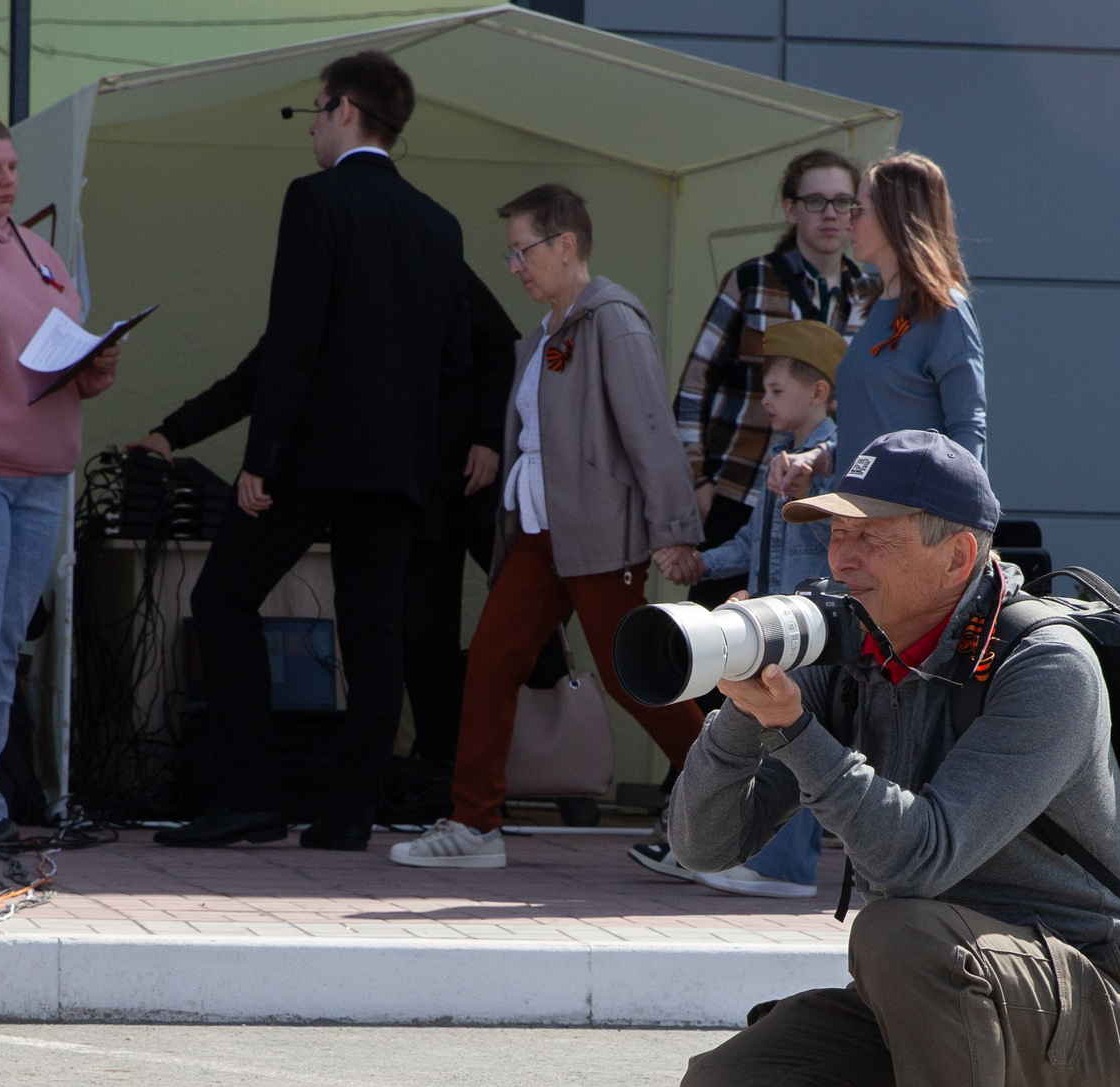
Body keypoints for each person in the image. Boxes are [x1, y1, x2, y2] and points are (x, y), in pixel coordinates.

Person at [669, 430, 1120, 1087]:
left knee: (896, 927)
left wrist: (797, 732)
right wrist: (745, 709)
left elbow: (918, 859)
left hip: (1091, 1011)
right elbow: (703, 843)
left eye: (873, 536)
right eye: (833, 535)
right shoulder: (849, 653)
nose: (842, 558)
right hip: (942, 997)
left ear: (959, 553)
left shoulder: (1045, 666)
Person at [156, 52, 468, 853]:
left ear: (344, 110)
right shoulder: (438, 224)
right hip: (396, 468)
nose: (313, 128)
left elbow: (293, 344)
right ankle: (348, 815)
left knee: (223, 600)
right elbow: (447, 360)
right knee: (375, 639)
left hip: (316, 457)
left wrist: (262, 457)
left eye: (315, 112)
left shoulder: (317, 201)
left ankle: (251, 798)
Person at [389, 185, 704, 870]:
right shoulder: (545, 335)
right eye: (509, 254)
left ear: (566, 245)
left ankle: (742, 806)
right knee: (493, 662)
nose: (514, 266)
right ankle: (474, 825)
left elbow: (650, 428)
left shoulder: (611, 320)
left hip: (596, 532)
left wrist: (673, 527)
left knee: (632, 676)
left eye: (522, 250)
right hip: (542, 535)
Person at [131, 266, 515, 775]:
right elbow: (260, 374)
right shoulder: (333, 284)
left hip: (434, 486)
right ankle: (409, 784)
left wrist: (488, 434)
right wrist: (171, 433)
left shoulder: (425, 261)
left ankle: (437, 779)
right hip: (399, 489)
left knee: (423, 640)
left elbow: (499, 345)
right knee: (398, 637)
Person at [0, 110, 119, 847]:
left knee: (6, 639)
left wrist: (96, 366)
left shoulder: (42, 252)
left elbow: (61, 355)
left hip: (43, 470)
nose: (10, 179)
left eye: (15, 165)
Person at [633, 320, 846, 898]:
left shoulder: (841, 459)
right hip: (769, 625)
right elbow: (755, 543)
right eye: (765, 390)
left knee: (798, 736)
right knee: (761, 734)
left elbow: (844, 545)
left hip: (810, 628)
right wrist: (701, 565)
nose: (765, 401)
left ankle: (787, 868)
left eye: (777, 390)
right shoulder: (778, 454)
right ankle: (743, 852)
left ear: (819, 392)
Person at [674, 149, 874, 604]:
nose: (831, 215)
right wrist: (699, 483)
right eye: (816, 201)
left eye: (844, 202)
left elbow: (868, 399)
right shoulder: (751, 279)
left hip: (828, 494)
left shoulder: (870, 293)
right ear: (791, 208)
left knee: (814, 635)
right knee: (719, 636)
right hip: (738, 488)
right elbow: (693, 387)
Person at [765, 152, 985, 508]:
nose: (847, 221)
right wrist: (820, 457)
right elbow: (873, 427)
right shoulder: (878, 305)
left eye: (858, 209)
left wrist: (960, 527)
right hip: (859, 524)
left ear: (895, 216)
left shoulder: (946, 311)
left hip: (907, 532)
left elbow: (968, 430)